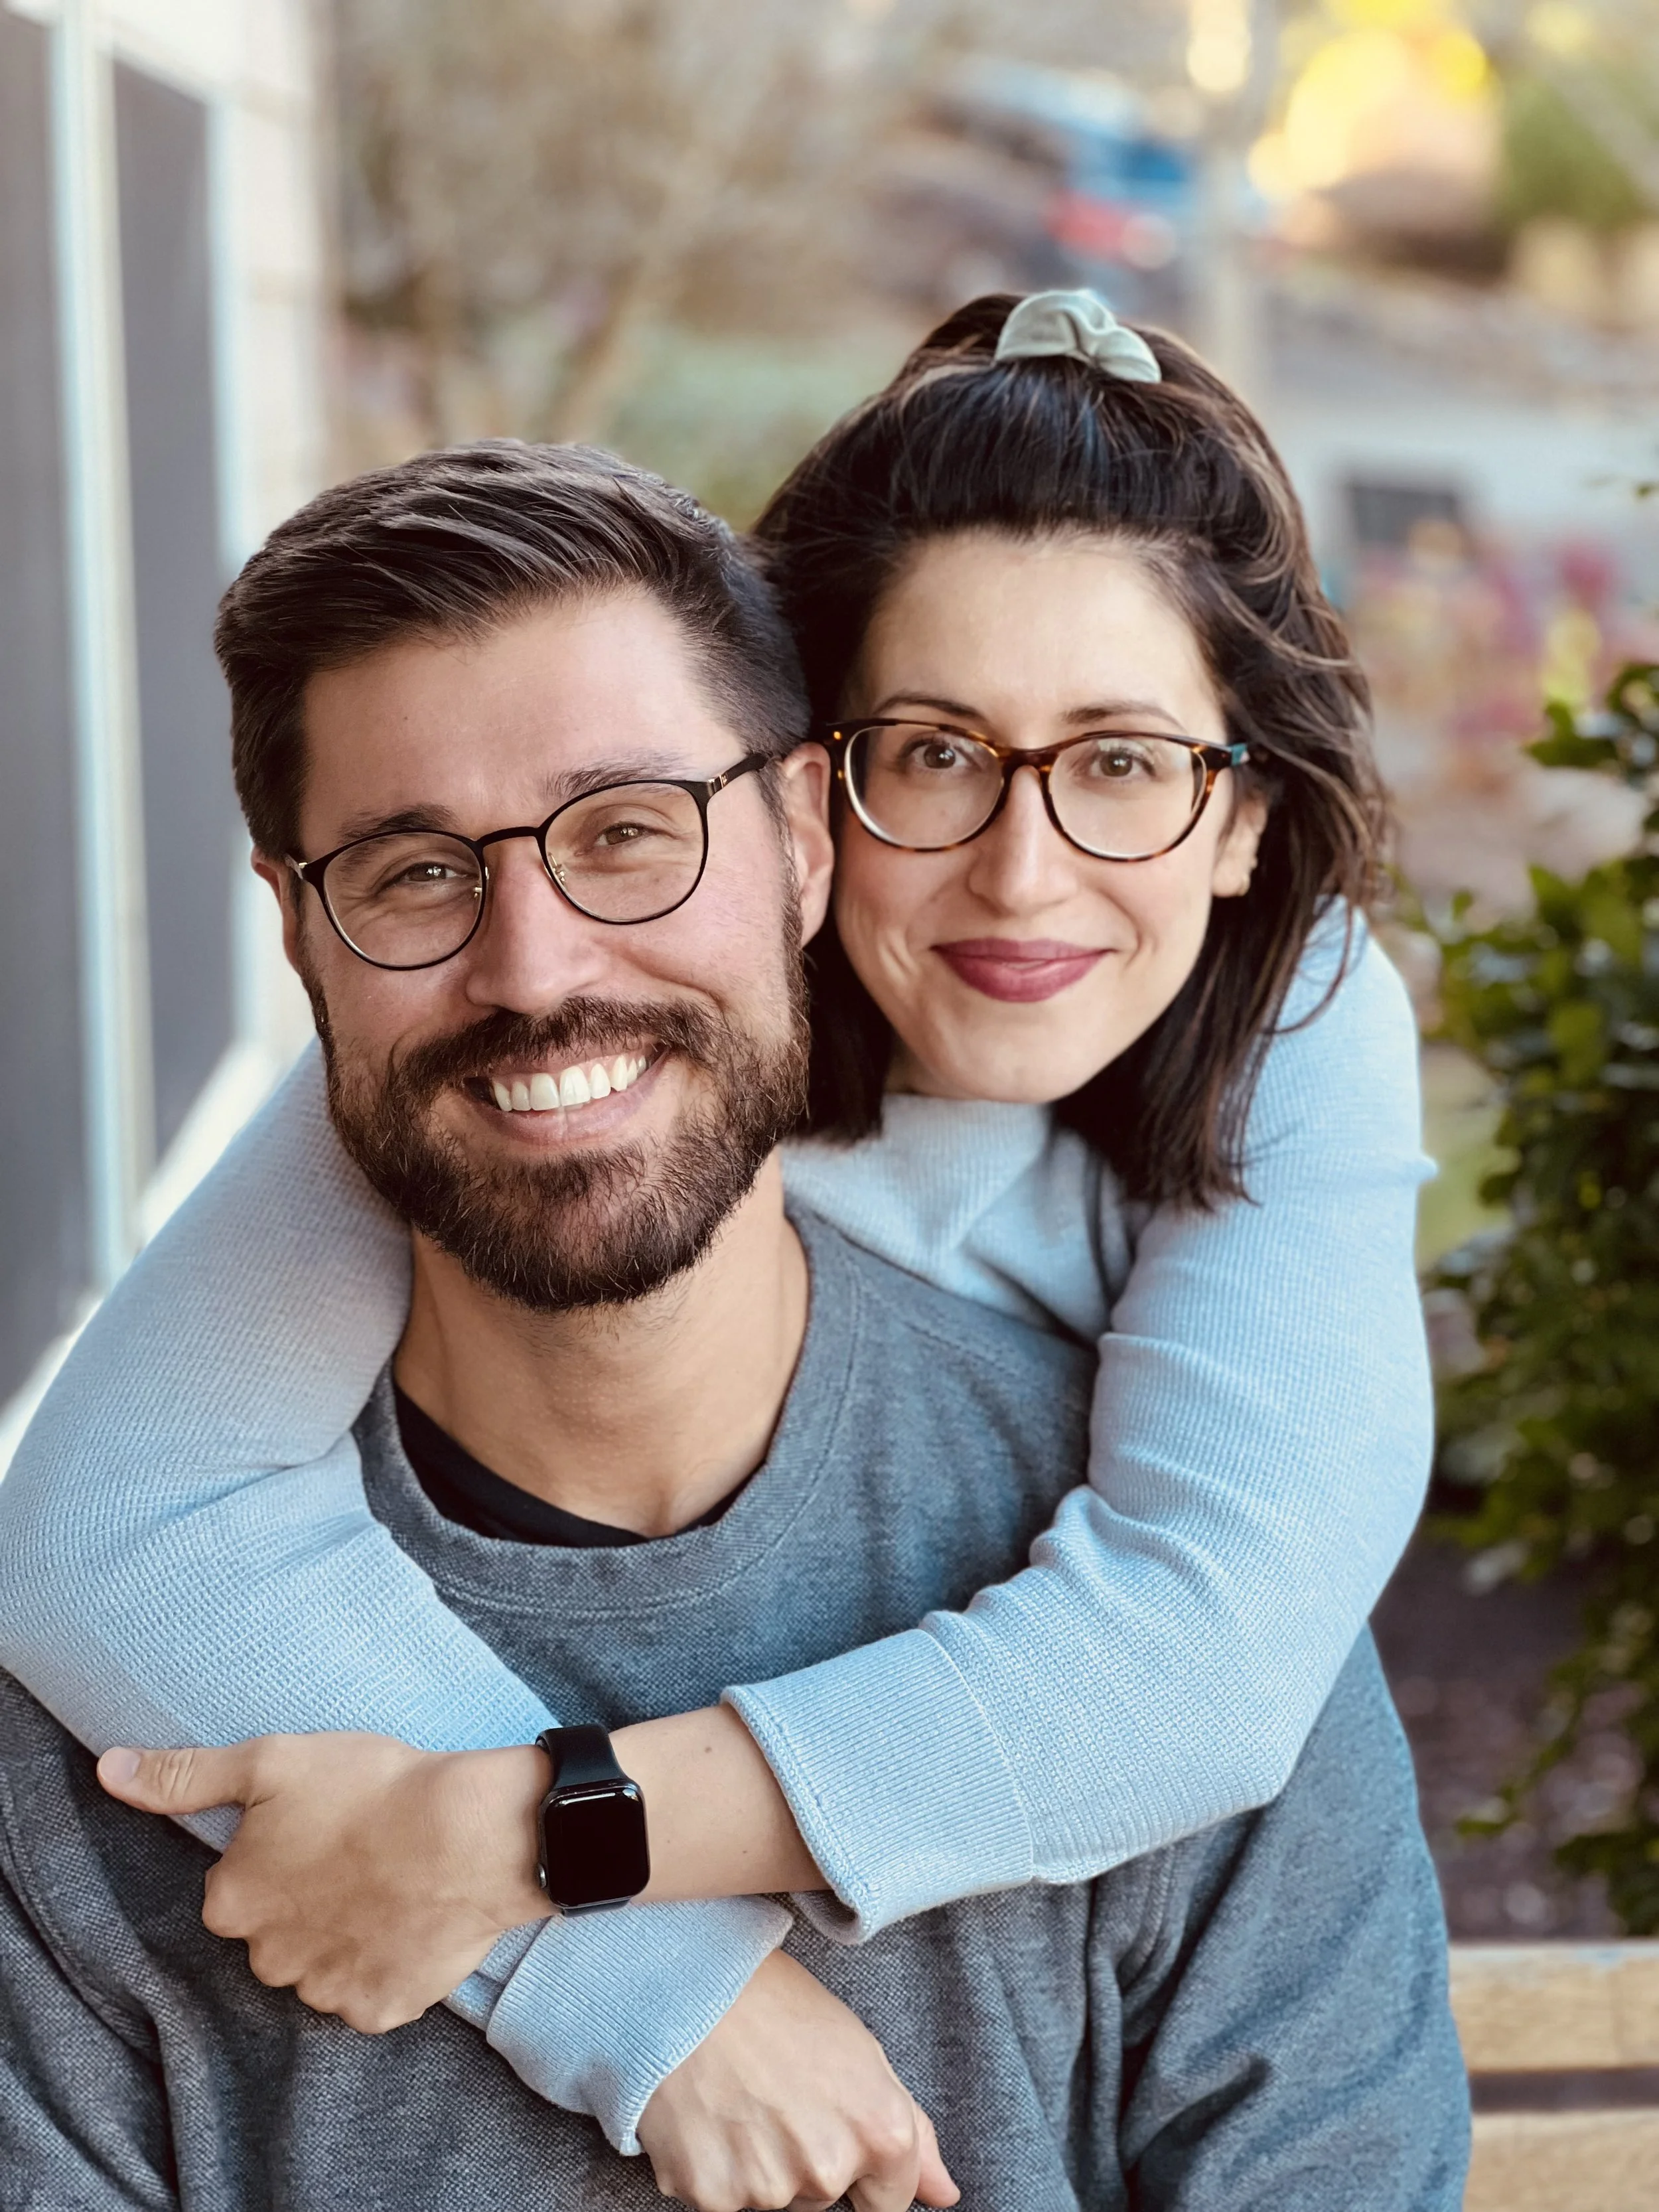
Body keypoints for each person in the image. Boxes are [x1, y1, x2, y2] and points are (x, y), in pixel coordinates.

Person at [0, 297, 1441, 2203]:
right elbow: (93, 1527)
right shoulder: (525, 1025)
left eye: (1120, 760)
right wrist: (661, 1990)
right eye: (933, 751)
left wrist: (523, 1841)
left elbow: (1214, 1659)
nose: (1023, 870)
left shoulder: (1296, 1024)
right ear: (819, 791)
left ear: (1241, 814)